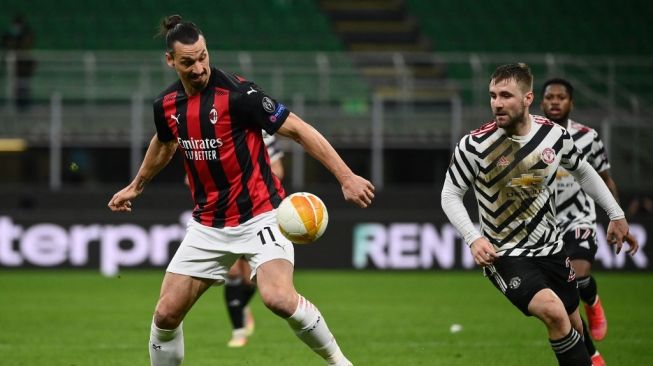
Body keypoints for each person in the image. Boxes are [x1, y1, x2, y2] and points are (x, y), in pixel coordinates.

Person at [108, 15, 374, 366]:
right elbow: (164, 143)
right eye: (188, 61)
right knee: (166, 315)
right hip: (208, 225)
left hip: (261, 215)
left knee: (278, 298)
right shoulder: (167, 106)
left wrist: (346, 176)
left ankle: (342, 363)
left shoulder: (239, 94)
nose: (200, 67)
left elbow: (298, 129)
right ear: (170, 61)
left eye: (203, 56)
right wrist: (136, 186)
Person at [441, 63, 638, 366]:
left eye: (506, 95)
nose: (497, 103)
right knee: (554, 313)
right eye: (493, 95)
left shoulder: (553, 136)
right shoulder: (474, 146)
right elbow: (450, 194)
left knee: (574, 327)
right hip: (505, 253)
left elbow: (584, 172)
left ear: (528, 98)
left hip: (552, 248)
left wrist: (615, 214)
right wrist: (473, 237)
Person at [540, 78, 635, 365]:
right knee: (563, 298)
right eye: (550, 97)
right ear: (540, 102)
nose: (555, 101)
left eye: (561, 97)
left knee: (579, 276)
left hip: (579, 217)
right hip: (545, 225)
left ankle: (592, 301)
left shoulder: (587, 137)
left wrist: (616, 216)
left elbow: (605, 179)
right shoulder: (530, 136)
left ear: (571, 103)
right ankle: (591, 353)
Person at [222, 130, 284, 348]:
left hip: (257, 212)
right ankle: (238, 332)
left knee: (249, 279)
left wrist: (253, 182)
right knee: (231, 271)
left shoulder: (264, 134)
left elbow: (278, 170)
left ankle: (242, 307)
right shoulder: (222, 130)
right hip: (225, 210)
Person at [1, 14, 36, 111]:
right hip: (12, 67)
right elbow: (5, 44)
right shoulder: (9, 35)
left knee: (24, 87)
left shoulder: (28, 33)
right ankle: (13, 106)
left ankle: (24, 107)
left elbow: (26, 46)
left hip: (24, 68)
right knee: (12, 88)